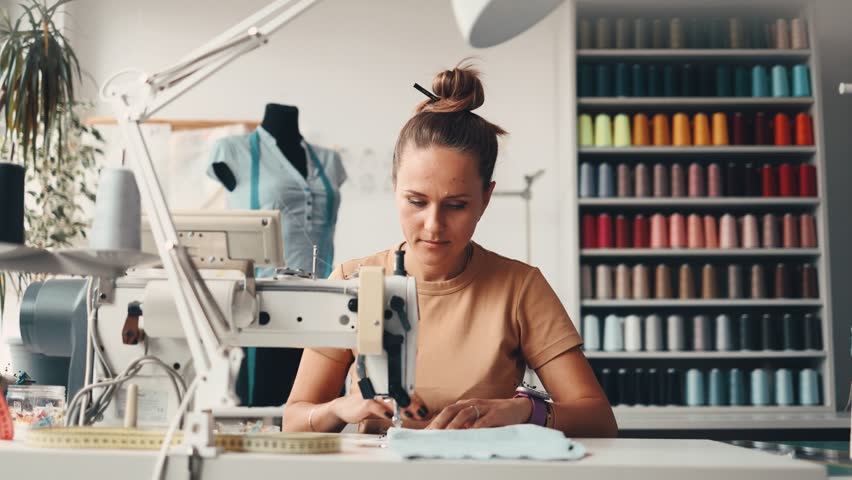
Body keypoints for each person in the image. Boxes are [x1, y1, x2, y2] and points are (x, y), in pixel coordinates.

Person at [281, 62, 617, 437]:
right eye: (416, 201)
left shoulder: (520, 288)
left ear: (485, 198)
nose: (433, 225)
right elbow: (294, 421)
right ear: (395, 188)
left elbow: (599, 420)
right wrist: (340, 408)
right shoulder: (351, 281)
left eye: (456, 205)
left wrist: (524, 410)